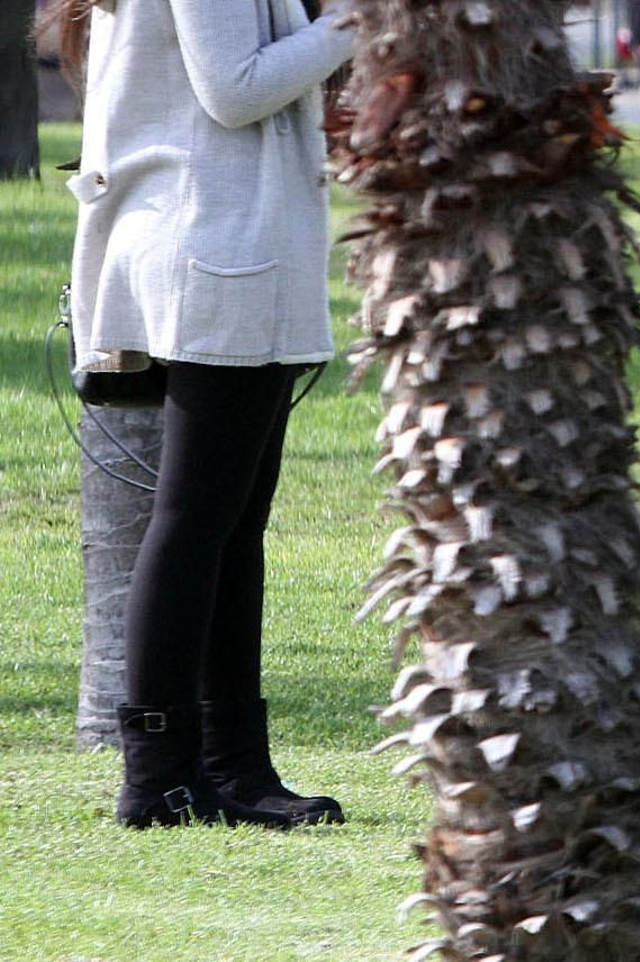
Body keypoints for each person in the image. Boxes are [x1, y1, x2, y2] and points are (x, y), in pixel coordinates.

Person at [38, 0, 356, 828]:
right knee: (196, 522)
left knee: (229, 525)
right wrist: (360, 20)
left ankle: (232, 767)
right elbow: (235, 89)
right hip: (215, 252)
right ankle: (159, 779)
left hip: (231, 247)